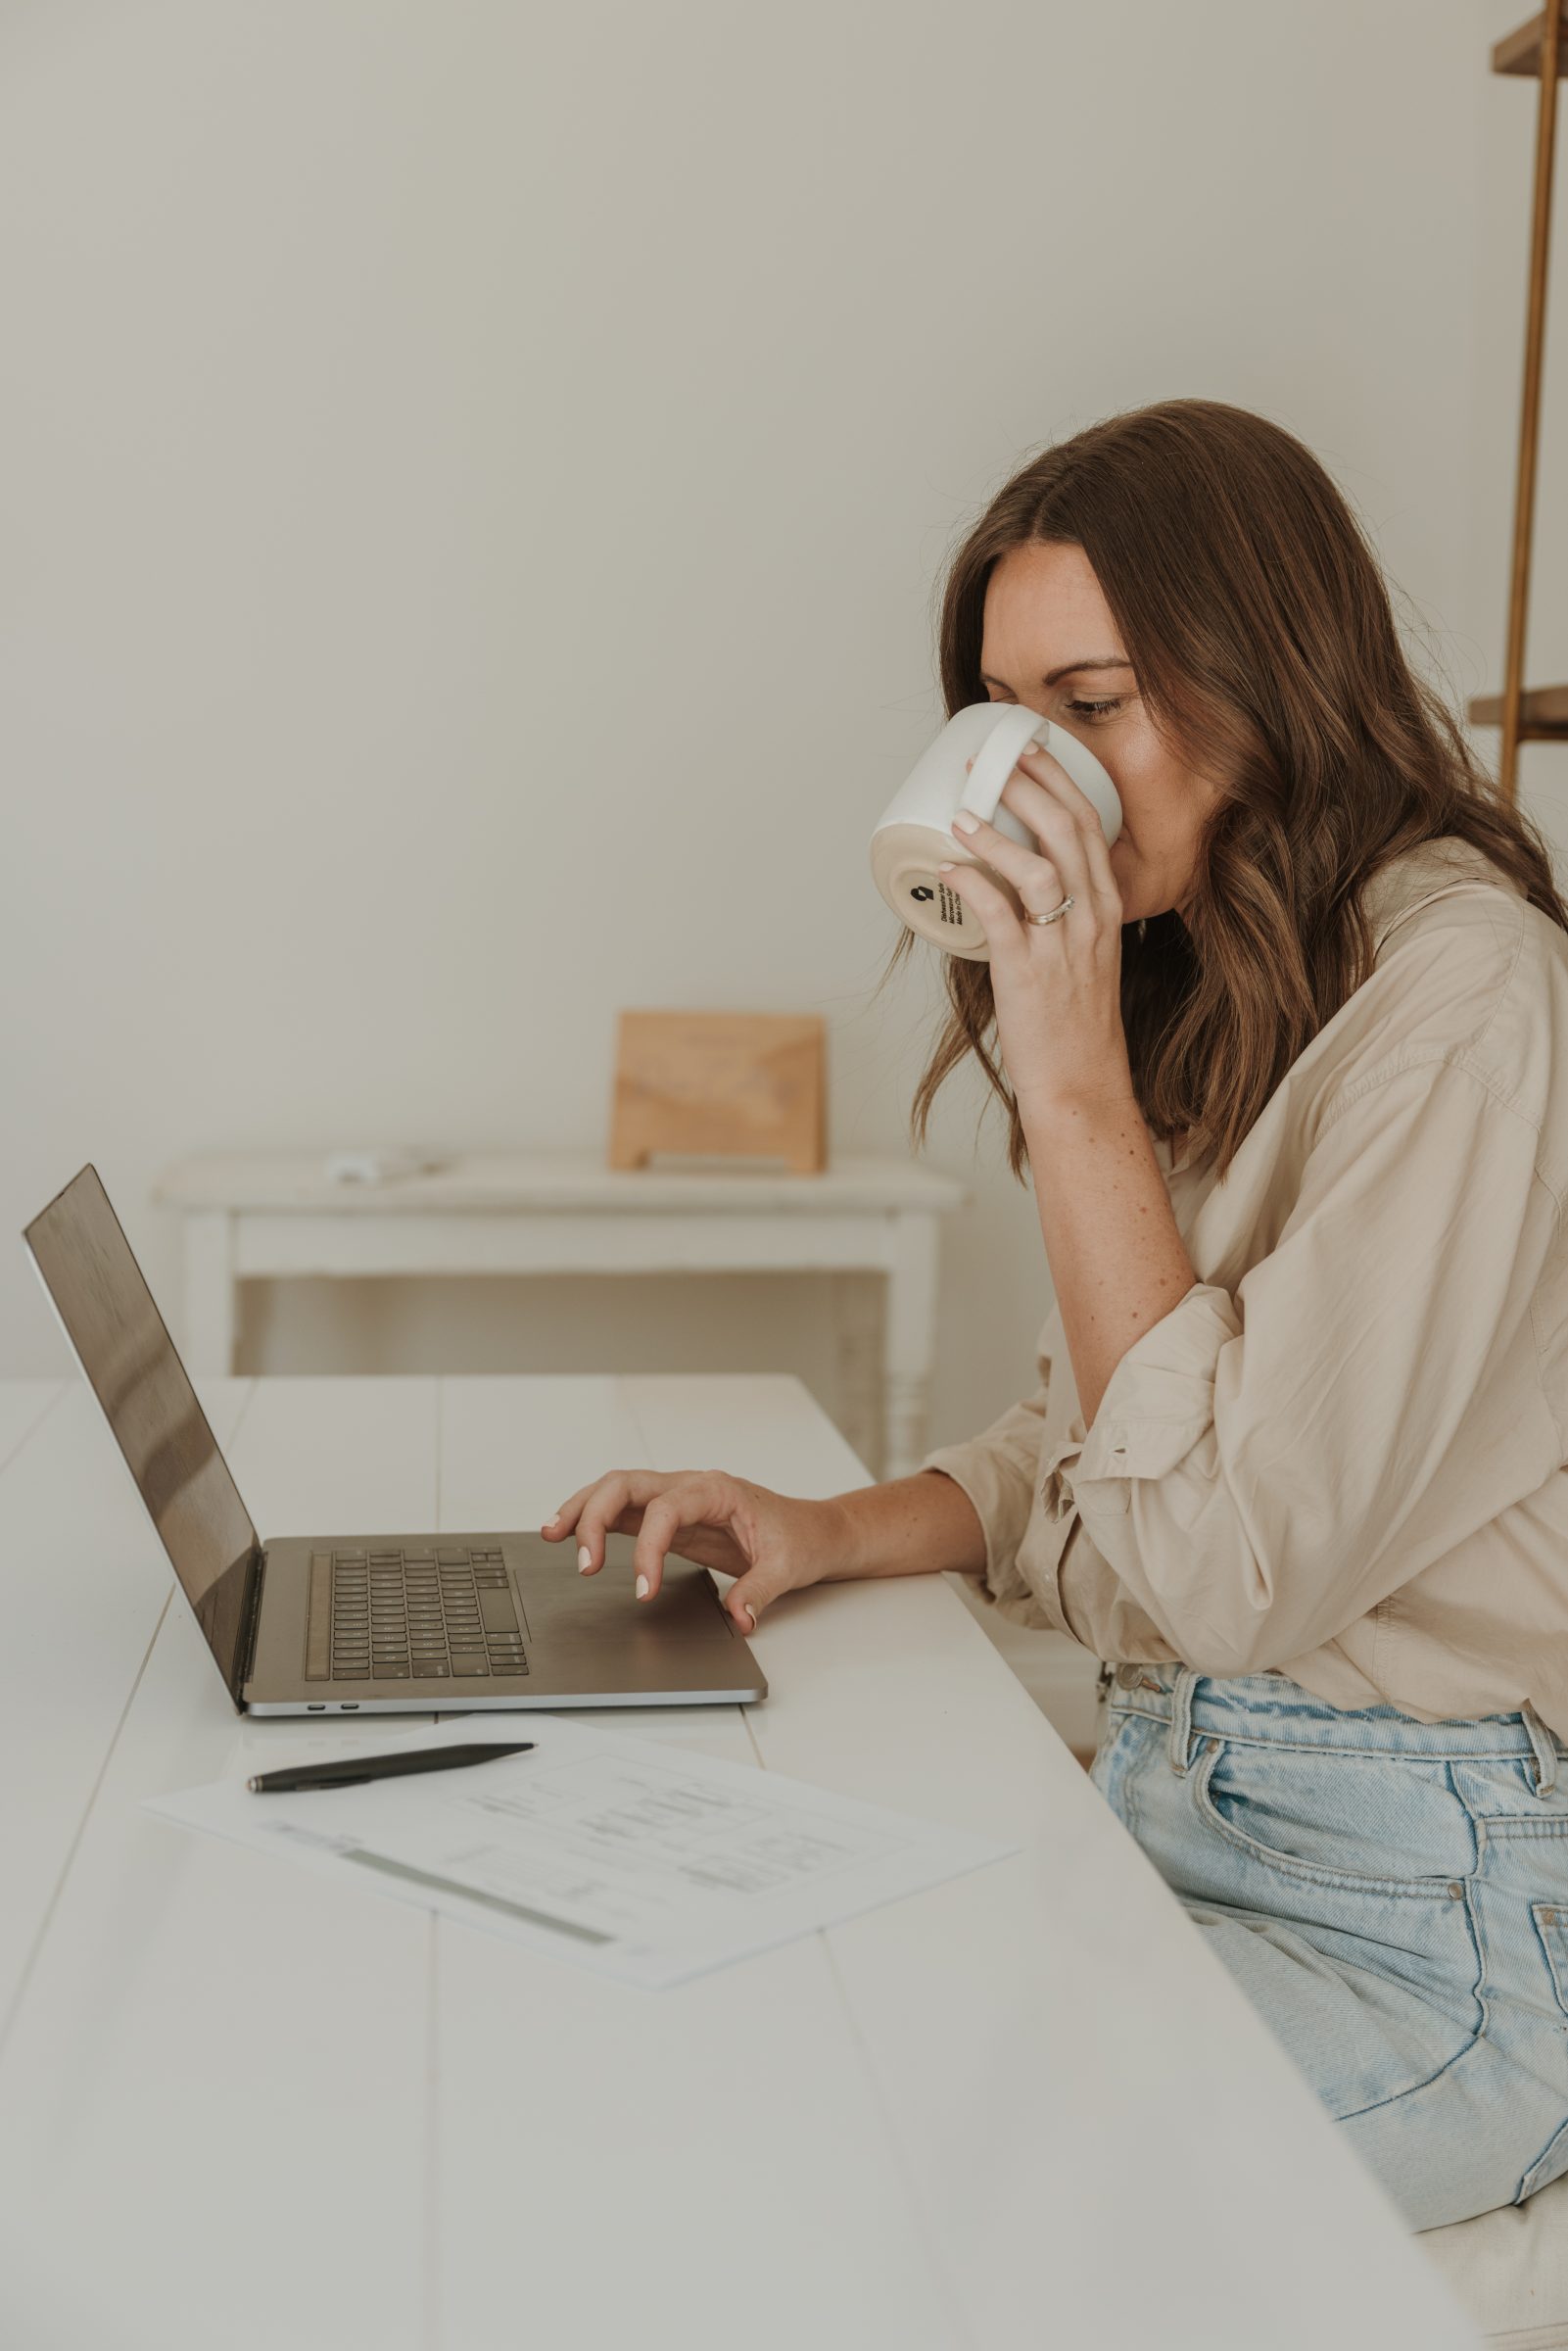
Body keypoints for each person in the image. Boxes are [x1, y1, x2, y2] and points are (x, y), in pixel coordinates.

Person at [541, 398, 1568, 2233]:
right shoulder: (1232, 966)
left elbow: (1217, 1565)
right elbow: (1106, 1424)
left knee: (916, 2181)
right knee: (711, 2024)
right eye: (1005, 720)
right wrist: (838, 1526)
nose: (1037, 780)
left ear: (1268, 678)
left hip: (1439, 1921)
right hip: (1196, 1808)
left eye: (1089, 708)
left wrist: (1073, 1088)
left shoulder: (1467, 1005)